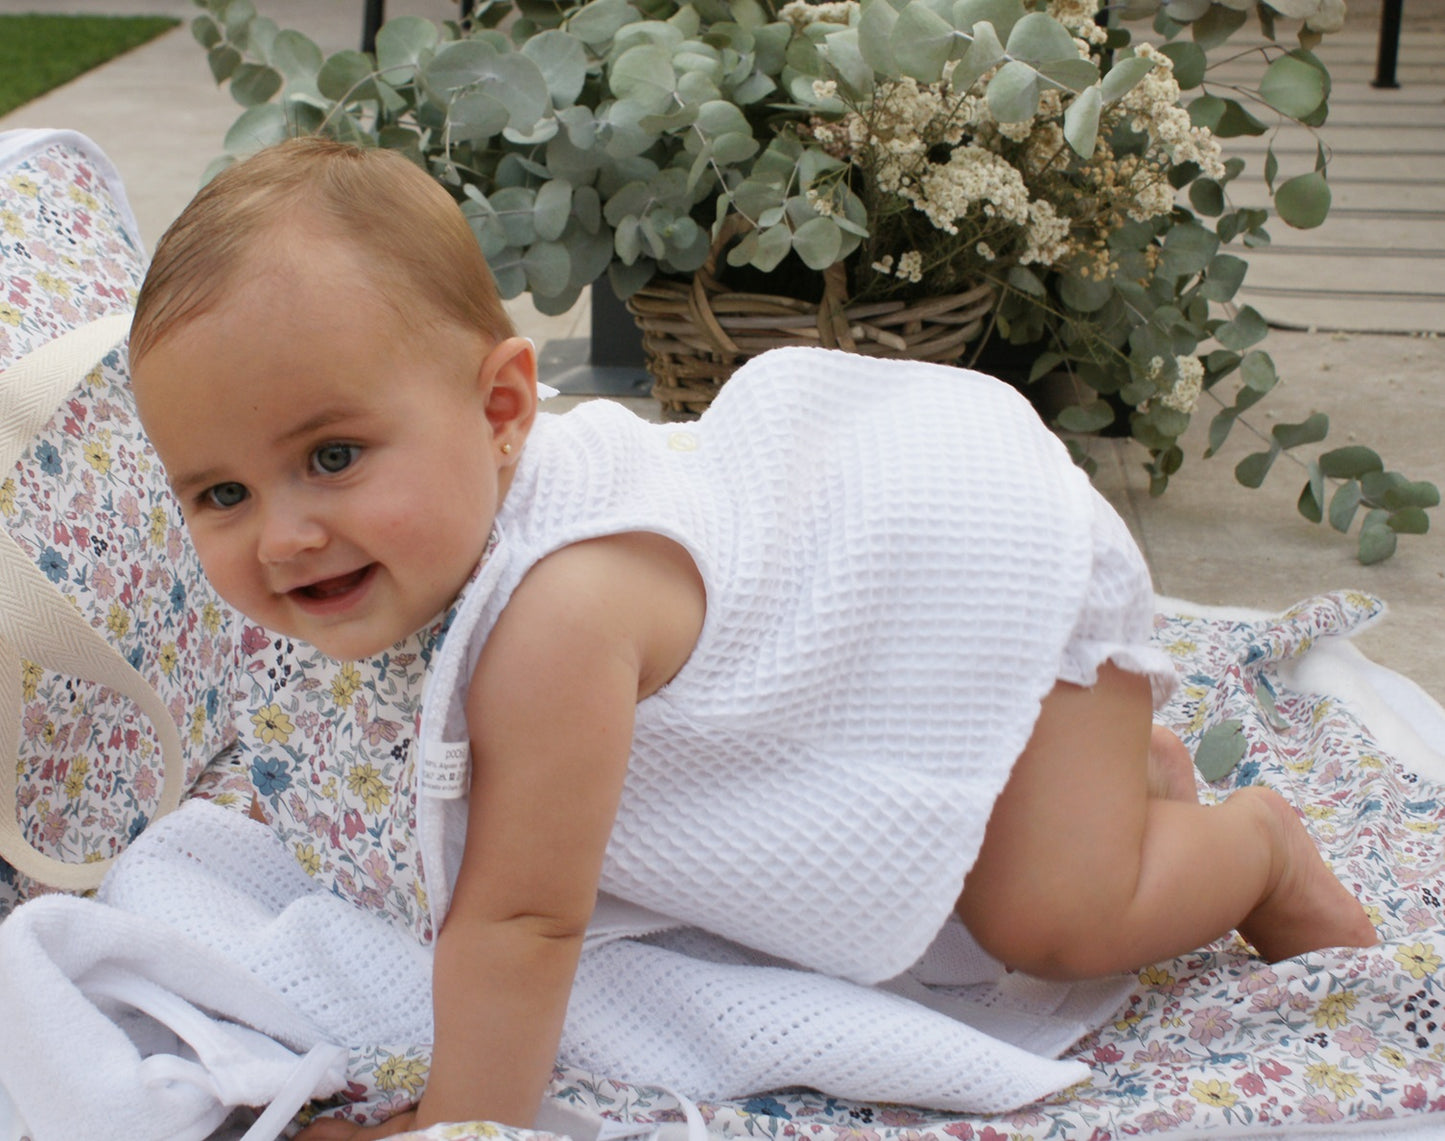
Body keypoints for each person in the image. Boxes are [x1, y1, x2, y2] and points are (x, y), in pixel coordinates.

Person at [127, 138, 1378, 1139]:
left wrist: (459, 1120)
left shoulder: (557, 618)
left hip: (985, 583)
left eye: (331, 457)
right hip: (871, 641)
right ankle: (1114, 778)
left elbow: (521, 921)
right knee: (1018, 842)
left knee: (1051, 917)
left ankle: (1249, 847)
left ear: (503, 408)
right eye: (220, 495)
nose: (283, 536)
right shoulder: (427, 540)